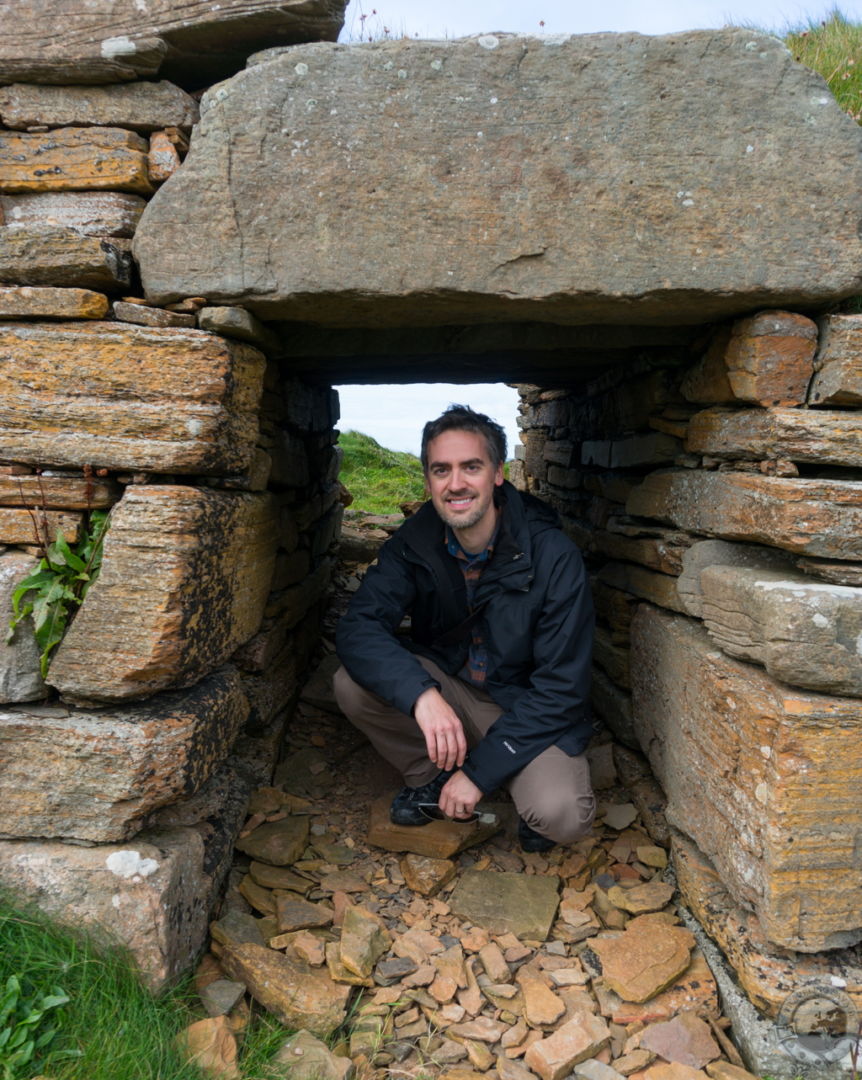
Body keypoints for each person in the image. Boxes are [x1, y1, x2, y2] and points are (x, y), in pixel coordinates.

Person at [333, 404, 595, 853]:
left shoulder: (554, 555)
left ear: (498, 473)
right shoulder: (413, 543)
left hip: (522, 705)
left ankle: (495, 775)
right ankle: (430, 777)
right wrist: (422, 695)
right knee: (350, 684)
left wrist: (477, 775)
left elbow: (561, 689)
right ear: (428, 480)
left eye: (470, 467)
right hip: (450, 687)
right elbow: (359, 627)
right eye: (442, 470)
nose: (456, 484)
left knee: (561, 815)